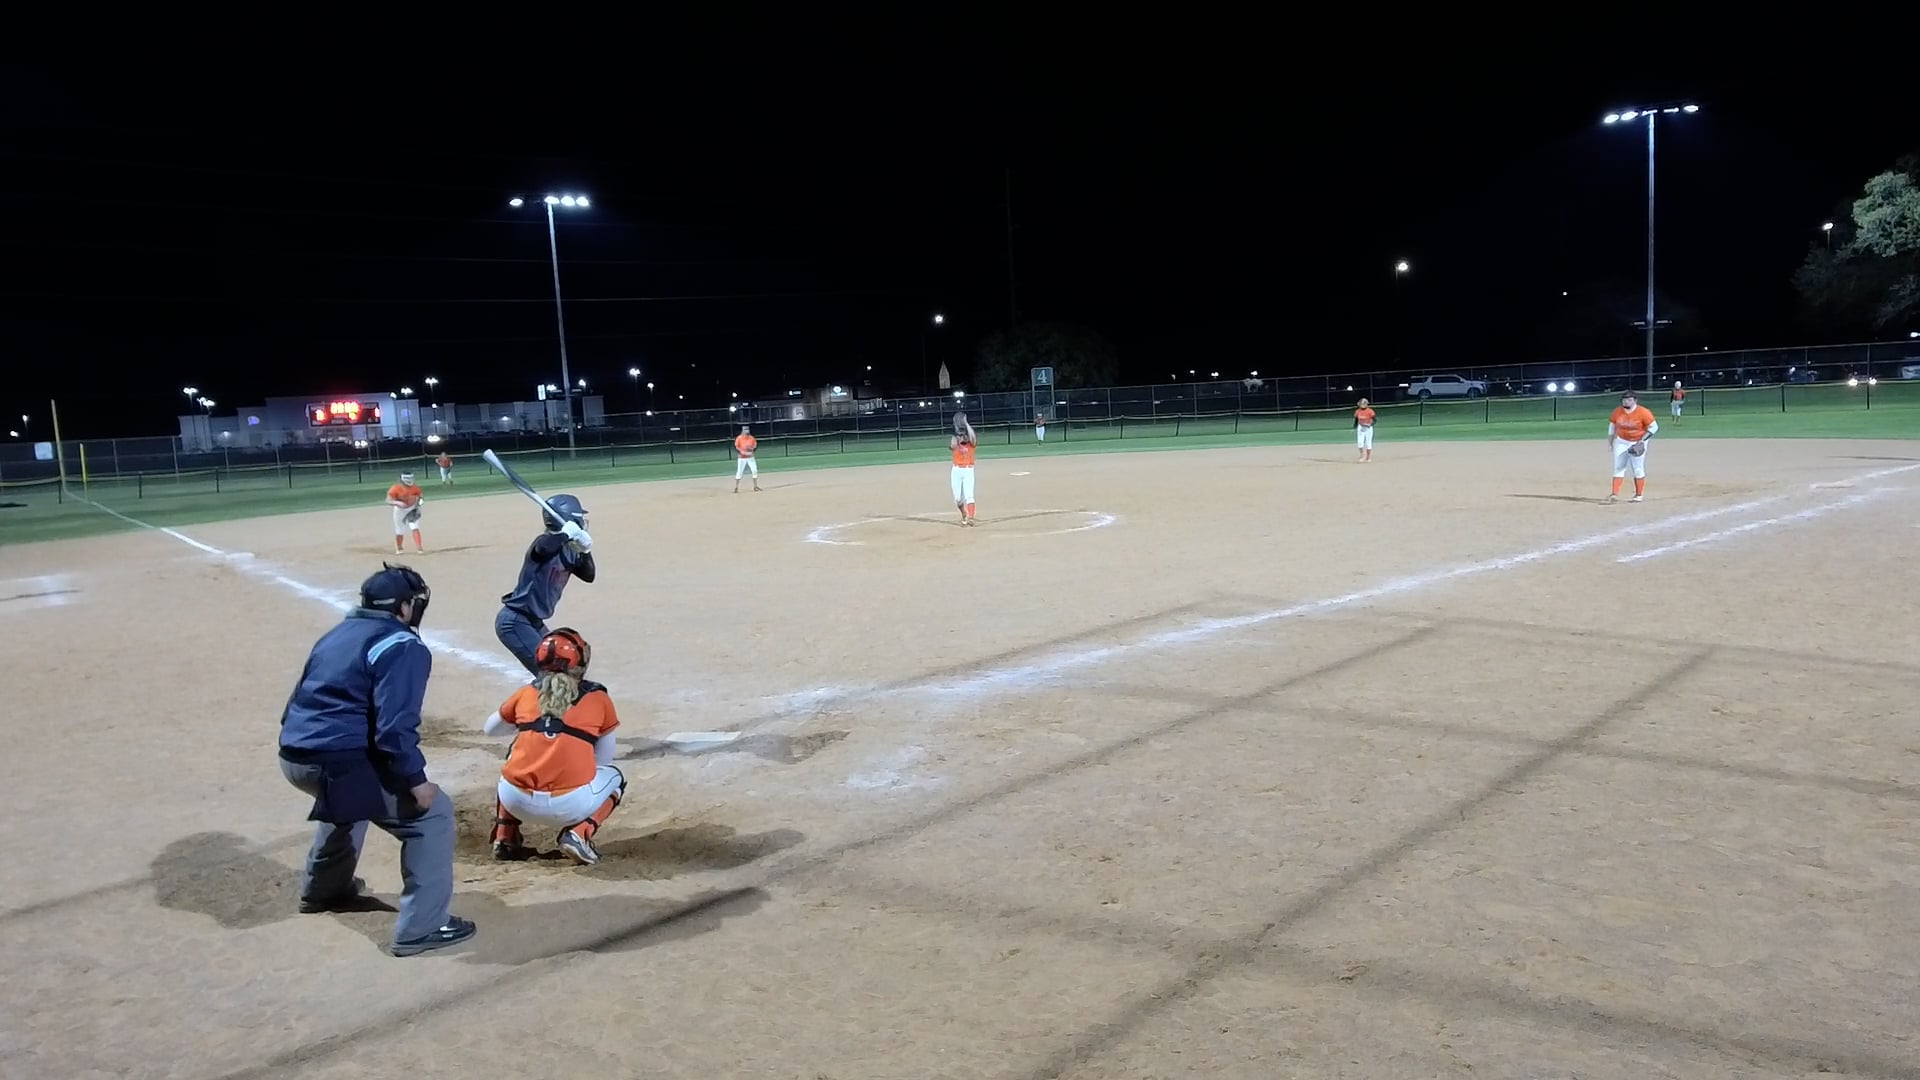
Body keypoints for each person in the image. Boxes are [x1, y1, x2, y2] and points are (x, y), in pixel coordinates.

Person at [277, 564, 475, 957]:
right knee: (432, 815)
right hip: (334, 762)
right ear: (404, 607)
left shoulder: (336, 635)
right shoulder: (402, 646)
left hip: (294, 756)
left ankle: (324, 889)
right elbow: (394, 729)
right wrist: (416, 781)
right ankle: (422, 928)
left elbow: (293, 703)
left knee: (350, 797)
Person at [485, 628, 626, 866]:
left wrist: (534, 727)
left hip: (515, 801)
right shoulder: (598, 698)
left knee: (514, 754)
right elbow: (603, 760)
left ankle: (505, 834)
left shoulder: (526, 693)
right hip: (569, 806)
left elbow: (490, 729)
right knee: (615, 777)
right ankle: (579, 833)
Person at [494, 494, 595, 675]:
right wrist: (565, 534)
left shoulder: (570, 549)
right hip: (515, 621)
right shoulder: (543, 542)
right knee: (550, 674)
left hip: (534, 622)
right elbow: (543, 550)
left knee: (564, 669)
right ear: (570, 519)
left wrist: (585, 551)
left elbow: (589, 575)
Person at [1607, 391, 1659, 503]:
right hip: (1621, 441)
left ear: (1635, 401)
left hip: (1637, 442)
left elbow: (1654, 427)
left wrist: (1642, 441)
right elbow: (1612, 428)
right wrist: (1611, 443)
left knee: (1637, 468)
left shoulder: (1643, 412)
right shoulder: (1617, 412)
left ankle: (1638, 495)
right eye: (1624, 399)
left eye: (1629, 400)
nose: (1626, 401)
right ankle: (1614, 494)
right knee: (1619, 467)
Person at [386, 472, 424, 554]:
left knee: (414, 527)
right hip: (400, 510)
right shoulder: (395, 488)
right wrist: (397, 503)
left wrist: (418, 506)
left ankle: (419, 548)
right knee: (400, 530)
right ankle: (399, 548)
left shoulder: (415, 488)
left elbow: (421, 497)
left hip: (412, 509)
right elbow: (388, 500)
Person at [950, 427, 977, 526]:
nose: (963, 437)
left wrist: (966, 424)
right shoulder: (955, 444)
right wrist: (956, 434)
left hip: (968, 471)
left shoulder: (971, 444)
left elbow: (973, 437)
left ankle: (971, 518)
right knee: (958, 499)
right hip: (956, 471)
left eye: (965, 435)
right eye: (961, 436)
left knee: (969, 496)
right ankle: (964, 513)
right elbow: (952, 444)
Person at [733, 425, 761, 493]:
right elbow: (736, 447)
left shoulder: (751, 438)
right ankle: (736, 487)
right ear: (742, 431)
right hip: (742, 458)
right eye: (745, 430)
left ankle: (755, 486)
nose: (747, 431)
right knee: (739, 472)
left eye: (747, 429)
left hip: (750, 457)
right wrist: (742, 452)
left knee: (754, 470)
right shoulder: (739, 438)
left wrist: (751, 450)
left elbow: (755, 447)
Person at [1354, 398, 1377, 463]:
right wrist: (1355, 425)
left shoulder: (1370, 411)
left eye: (1364, 403)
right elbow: (1356, 419)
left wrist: (1370, 424)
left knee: (1368, 443)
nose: (1363, 405)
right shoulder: (1357, 411)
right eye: (1361, 404)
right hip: (1361, 427)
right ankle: (1362, 456)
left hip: (1368, 428)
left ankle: (1368, 457)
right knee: (1360, 443)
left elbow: (1375, 420)